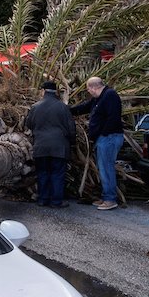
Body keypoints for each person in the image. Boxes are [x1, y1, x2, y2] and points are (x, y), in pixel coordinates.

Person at [71, 77, 124, 211]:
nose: (89, 92)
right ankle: (106, 196)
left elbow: (113, 117)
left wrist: (103, 133)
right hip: (104, 138)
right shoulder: (98, 98)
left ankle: (110, 199)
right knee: (103, 168)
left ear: (93, 87)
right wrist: (67, 110)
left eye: (88, 89)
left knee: (107, 168)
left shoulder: (110, 95)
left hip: (109, 137)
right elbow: (84, 107)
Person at [25, 81, 76, 208]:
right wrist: (72, 143)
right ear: (56, 92)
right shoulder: (63, 107)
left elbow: (29, 124)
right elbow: (71, 128)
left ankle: (43, 199)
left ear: (43, 91)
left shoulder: (35, 107)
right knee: (57, 173)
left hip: (40, 145)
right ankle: (56, 201)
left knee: (42, 172)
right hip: (59, 146)